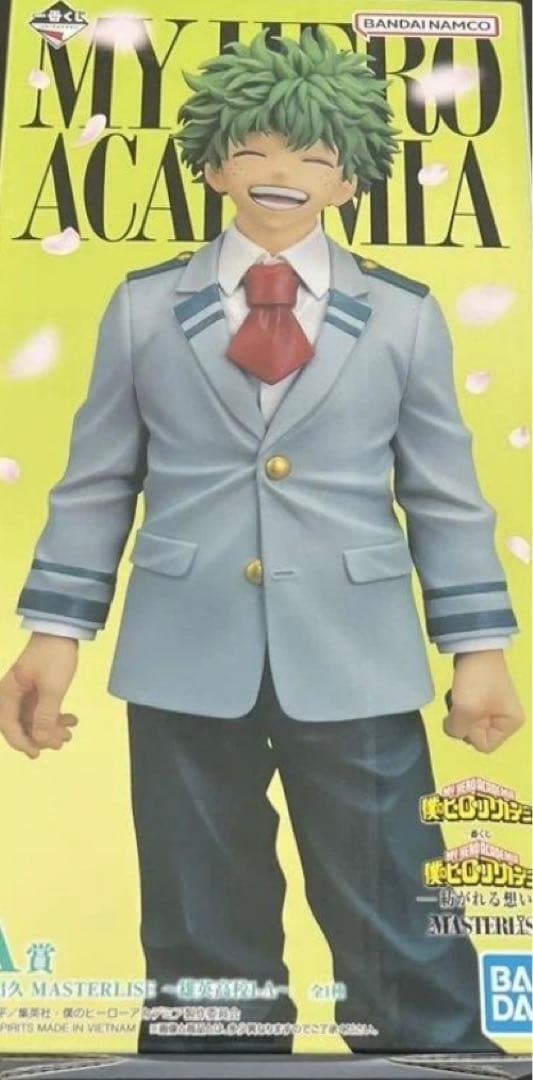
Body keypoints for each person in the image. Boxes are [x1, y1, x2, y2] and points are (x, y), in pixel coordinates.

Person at [0, 28, 524, 1055]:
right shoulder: (144, 308)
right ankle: (209, 1063)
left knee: (393, 895)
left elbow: (445, 496)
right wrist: (53, 634)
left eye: (314, 156)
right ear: (210, 164)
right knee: (198, 911)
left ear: (349, 180)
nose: (281, 173)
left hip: (358, 650)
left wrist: (478, 650)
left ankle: (436, 1055)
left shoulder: (403, 317)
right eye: (253, 149)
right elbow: (98, 482)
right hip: (182, 650)